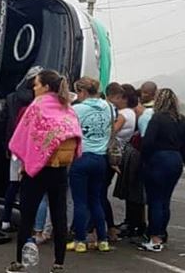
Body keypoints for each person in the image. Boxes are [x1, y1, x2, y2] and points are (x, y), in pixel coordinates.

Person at [6, 69, 82, 273]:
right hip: (60, 168)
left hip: (37, 169)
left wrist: (26, 159)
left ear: (46, 87)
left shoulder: (37, 107)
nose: (34, 87)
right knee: (59, 216)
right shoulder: (67, 107)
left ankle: (20, 262)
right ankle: (58, 264)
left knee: (28, 215)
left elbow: (24, 135)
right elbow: (75, 133)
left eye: (36, 84)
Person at [139, 88, 185, 252]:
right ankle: (161, 234)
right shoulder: (182, 119)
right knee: (165, 200)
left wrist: (145, 159)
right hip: (176, 160)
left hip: (158, 160)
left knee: (154, 200)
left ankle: (154, 238)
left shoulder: (157, 118)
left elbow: (147, 142)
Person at [66, 77, 113, 253]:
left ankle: (80, 240)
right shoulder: (108, 107)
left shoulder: (77, 109)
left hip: (81, 157)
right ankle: (102, 240)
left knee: (80, 202)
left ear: (83, 92)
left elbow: (68, 130)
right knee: (96, 200)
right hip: (101, 159)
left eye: (78, 92)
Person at [0, 66, 42, 232]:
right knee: (30, 187)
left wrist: (6, 145)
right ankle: (28, 223)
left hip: (15, 148)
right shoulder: (38, 102)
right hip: (32, 149)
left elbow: (2, 123)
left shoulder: (12, 98)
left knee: (13, 184)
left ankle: (5, 220)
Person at [107, 84, 146, 240]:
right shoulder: (133, 113)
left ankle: (117, 226)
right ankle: (132, 223)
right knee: (132, 192)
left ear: (124, 98)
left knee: (103, 192)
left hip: (117, 153)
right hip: (124, 152)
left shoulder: (123, 114)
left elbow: (111, 131)